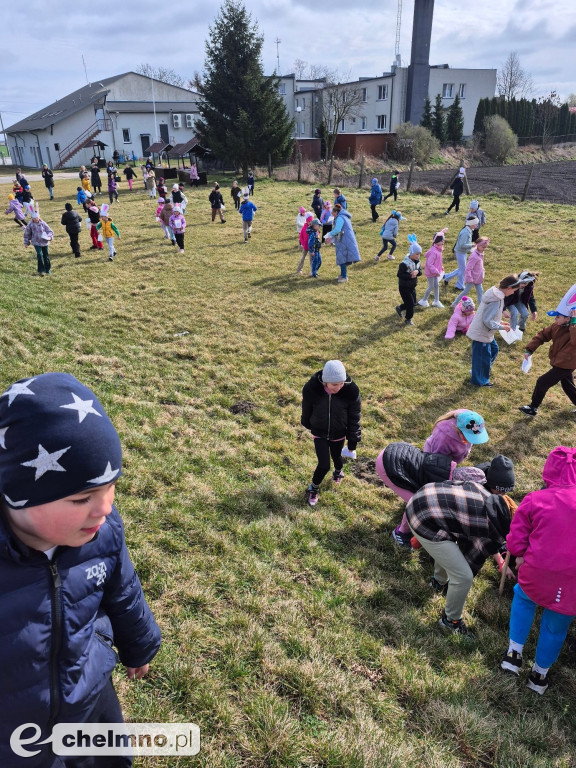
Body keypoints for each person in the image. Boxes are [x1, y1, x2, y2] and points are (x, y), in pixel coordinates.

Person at [0, 372, 161, 767]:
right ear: (17, 495)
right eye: (82, 498)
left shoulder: (103, 531)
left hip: (88, 694)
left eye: (110, 487)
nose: (105, 508)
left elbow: (123, 589)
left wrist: (139, 645)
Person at [500, 446, 576, 694]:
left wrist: (519, 554)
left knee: (524, 599)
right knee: (557, 624)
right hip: (572, 581)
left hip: (538, 570)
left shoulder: (535, 499)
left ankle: (513, 655)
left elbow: (515, 539)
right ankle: (539, 676)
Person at [406, 475, 515, 636]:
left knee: (450, 546)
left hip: (420, 497)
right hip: (422, 519)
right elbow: (473, 557)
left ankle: (438, 582)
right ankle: (451, 622)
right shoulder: (491, 528)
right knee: (463, 577)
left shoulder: (484, 493)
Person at [390, 409, 489, 547]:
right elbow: (435, 464)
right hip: (434, 464)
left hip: (449, 462)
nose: (470, 442)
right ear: (459, 430)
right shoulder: (444, 438)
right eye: (468, 438)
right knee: (421, 499)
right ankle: (402, 531)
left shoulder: (467, 418)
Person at [301, 360, 361, 507]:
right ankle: (313, 488)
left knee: (337, 458)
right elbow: (306, 408)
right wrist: (307, 423)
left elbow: (354, 417)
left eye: (341, 383)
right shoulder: (312, 389)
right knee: (324, 465)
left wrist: (352, 441)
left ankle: (338, 472)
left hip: (339, 433)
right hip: (319, 433)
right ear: (325, 382)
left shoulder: (350, 391)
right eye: (335, 384)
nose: (339, 387)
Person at [518, 308, 576, 416]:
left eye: (558, 317)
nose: (555, 319)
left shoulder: (574, 328)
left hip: (567, 364)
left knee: (542, 382)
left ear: (568, 319)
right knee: (568, 386)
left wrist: (574, 323)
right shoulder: (556, 326)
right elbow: (542, 335)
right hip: (560, 361)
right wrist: (529, 349)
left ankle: (533, 408)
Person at [466, 275, 519, 387]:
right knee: (482, 357)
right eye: (513, 291)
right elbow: (487, 320)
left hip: (486, 332)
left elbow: (490, 316)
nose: (513, 293)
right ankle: (479, 380)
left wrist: (501, 323)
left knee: (494, 349)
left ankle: (478, 371)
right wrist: (501, 327)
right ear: (508, 288)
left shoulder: (496, 295)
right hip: (482, 333)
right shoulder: (496, 299)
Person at [324, 203, 361, 283]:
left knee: (342, 258)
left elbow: (337, 230)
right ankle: (342, 274)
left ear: (336, 212)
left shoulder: (340, 218)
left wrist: (329, 235)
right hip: (345, 239)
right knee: (342, 257)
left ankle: (344, 276)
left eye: (333, 213)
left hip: (344, 241)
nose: (332, 215)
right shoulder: (343, 217)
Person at [451, 236, 489, 307]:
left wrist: (482, 270)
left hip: (478, 277)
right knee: (466, 291)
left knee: (480, 292)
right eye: (483, 247)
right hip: (472, 278)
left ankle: (481, 307)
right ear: (478, 246)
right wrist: (469, 278)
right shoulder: (474, 256)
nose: (484, 249)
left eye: (485, 247)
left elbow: (480, 264)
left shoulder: (481, 254)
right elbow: (468, 268)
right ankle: (455, 303)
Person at [443, 216, 478, 291]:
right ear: (471, 224)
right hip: (460, 252)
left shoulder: (468, 230)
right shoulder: (466, 232)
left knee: (462, 268)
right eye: (475, 224)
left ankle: (447, 277)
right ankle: (459, 285)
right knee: (463, 269)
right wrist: (471, 245)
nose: (477, 225)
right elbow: (462, 245)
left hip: (462, 252)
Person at [395, 236, 421, 326]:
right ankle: (408, 319)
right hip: (404, 287)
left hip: (412, 286)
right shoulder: (404, 264)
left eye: (419, 254)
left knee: (413, 303)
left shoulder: (417, 262)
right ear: (411, 253)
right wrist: (410, 275)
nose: (418, 256)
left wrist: (417, 272)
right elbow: (399, 274)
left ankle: (400, 308)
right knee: (410, 304)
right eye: (416, 254)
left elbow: (420, 272)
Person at [418, 229, 447, 308]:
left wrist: (440, 267)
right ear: (436, 241)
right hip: (431, 272)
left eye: (443, 240)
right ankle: (423, 300)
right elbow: (429, 264)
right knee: (431, 286)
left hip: (435, 272)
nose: (443, 242)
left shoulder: (439, 250)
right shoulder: (434, 251)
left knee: (436, 286)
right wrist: (436, 271)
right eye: (441, 240)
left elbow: (438, 261)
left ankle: (436, 301)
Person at [23, 209, 53, 275]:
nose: (36, 219)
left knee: (46, 255)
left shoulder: (43, 223)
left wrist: (49, 237)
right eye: (34, 218)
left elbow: (50, 231)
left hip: (44, 242)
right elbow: (27, 234)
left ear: (39, 217)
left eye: (37, 218)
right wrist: (26, 242)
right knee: (39, 255)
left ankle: (47, 269)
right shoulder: (30, 224)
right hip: (36, 242)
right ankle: (41, 270)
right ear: (32, 218)